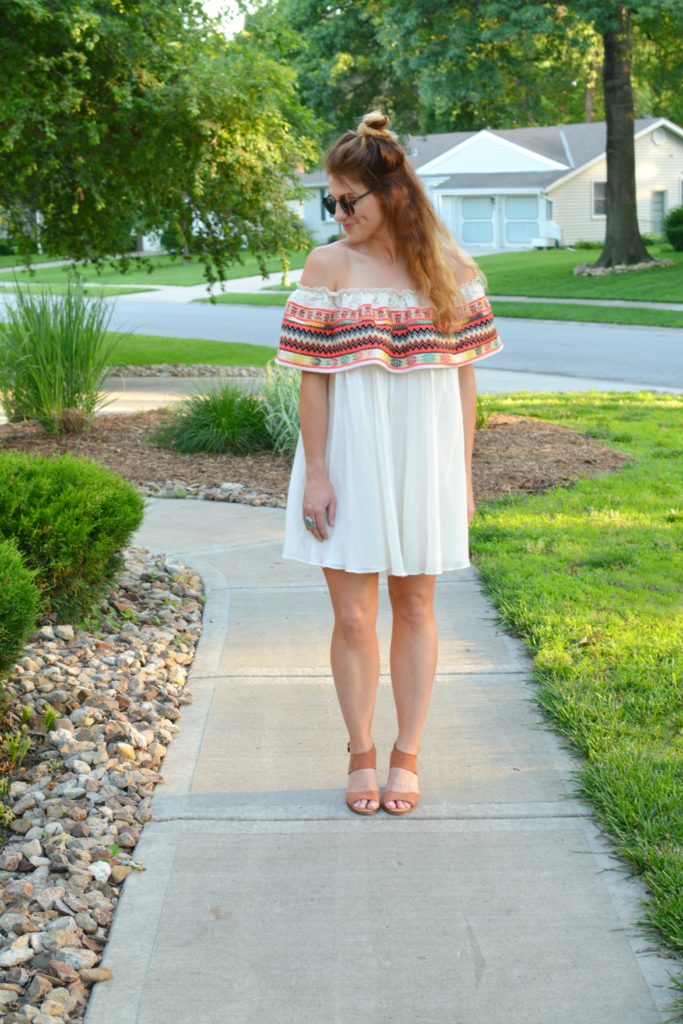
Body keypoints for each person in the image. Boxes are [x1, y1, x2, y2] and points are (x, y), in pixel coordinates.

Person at [274, 110, 503, 816]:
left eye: (350, 200)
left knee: (416, 604)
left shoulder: (451, 268)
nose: (337, 213)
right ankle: (359, 752)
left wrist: (460, 473)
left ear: (393, 193)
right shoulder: (327, 267)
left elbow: (464, 378)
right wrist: (316, 472)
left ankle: (406, 754)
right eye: (330, 201)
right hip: (346, 453)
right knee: (350, 617)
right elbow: (313, 376)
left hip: (423, 454)